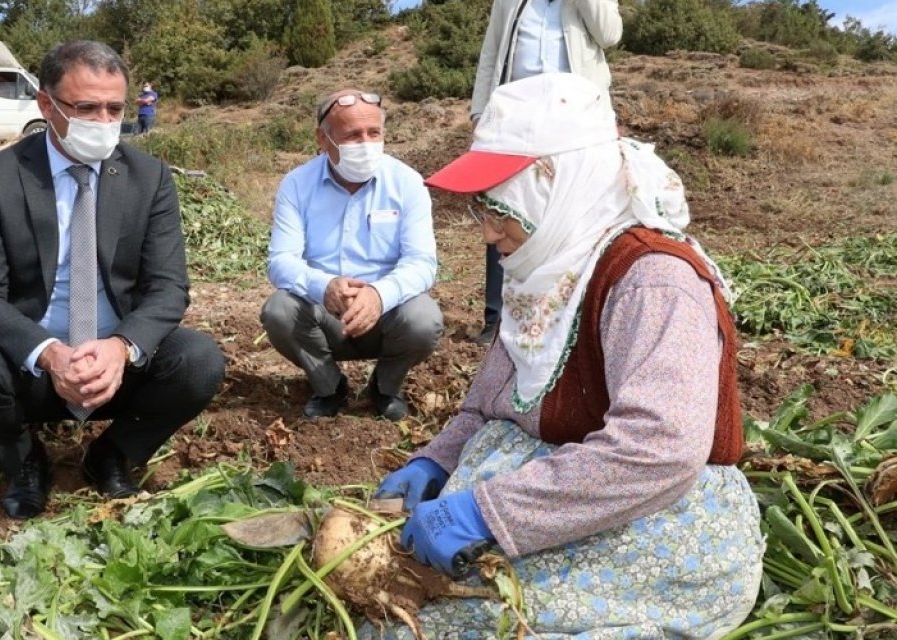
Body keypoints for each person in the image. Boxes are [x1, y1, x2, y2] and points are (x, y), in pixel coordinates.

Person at [369, 74, 762, 637]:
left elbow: (660, 449)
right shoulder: (545, 273)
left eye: (499, 208)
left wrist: (488, 512)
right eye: (482, 209)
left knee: (437, 625)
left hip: (648, 515)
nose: (487, 233)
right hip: (549, 503)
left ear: (553, 186)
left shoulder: (653, 281)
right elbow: (490, 402)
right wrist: (437, 461)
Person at [0, 41, 226, 519]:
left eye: (115, 108)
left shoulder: (149, 177)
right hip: (29, 366)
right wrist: (50, 354)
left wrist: (120, 347)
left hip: (116, 369)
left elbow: (169, 287)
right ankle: (25, 459)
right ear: (46, 104)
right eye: (86, 108)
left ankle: (113, 454)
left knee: (199, 361)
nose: (103, 121)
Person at [262, 89, 441, 422]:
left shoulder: (407, 183)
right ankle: (329, 387)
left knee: (424, 319)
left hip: (387, 315)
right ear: (323, 139)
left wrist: (379, 295)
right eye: (353, 135)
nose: (366, 144)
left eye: (374, 133)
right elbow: (281, 261)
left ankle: (385, 387)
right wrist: (325, 286)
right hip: (325, 314)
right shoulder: (297, 185)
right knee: (279, 310)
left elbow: (422, 263)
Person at [468, 0, 623, 344]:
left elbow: (610, 34)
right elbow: (491, 53)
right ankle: (498, 316)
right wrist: (480, 112)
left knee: (573, 212)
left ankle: (569, 311)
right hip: (515, 119)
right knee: (504, 210)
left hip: (574, 121)